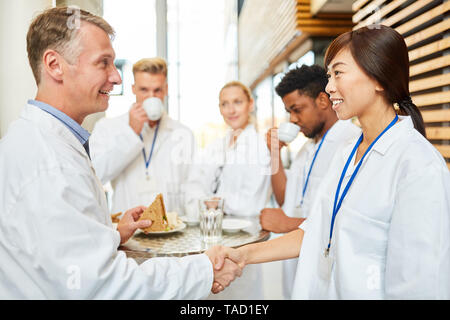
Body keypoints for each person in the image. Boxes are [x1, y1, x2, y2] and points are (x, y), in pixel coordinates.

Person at [0, 7, 241, 299]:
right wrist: (205, 270)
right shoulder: (48, 162)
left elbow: (62, 244)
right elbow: (102, 287)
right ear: (54, 65)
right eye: (103, 63)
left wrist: (112, 233)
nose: (115, 78)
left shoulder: (48, 142)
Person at [211, 25, 450, 299]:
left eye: (338, 73)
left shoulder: (418, 164)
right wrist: (242, 256)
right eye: (329, 75)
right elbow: (316, 230)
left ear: (379, 79)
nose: (329, 87)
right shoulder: (348, 151)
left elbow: (419, 286)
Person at [260, 64, 360, 299]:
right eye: (289, 112)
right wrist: (274, 153)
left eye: (297, 109)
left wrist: (287, 224)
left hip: (328, 273)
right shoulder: (307, 147)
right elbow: (286, 197)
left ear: (323, 101)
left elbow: (347, 227)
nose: (292, 120)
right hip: (297, 262)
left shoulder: (352, 143)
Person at [184, 81, 271, 299]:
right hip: (214, 239)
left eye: (237, 102)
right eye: (225, 104)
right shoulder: (216, 146)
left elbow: (252, 202)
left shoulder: (260, 147)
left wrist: (216, 201)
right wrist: (209, 200)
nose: (231, 110)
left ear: (250, 104)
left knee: (242, 295)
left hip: (245, 238)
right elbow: (194, 184)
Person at [89, 57, 194, 215]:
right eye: (144, 90)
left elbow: (191, 186)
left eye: (157, 90)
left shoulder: (183, 133)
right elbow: (96, 177)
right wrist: (131, 132)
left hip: (171, 231)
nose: (151, 96)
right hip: (128, 232)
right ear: (133, 89)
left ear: (165, 90)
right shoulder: (107, 127)